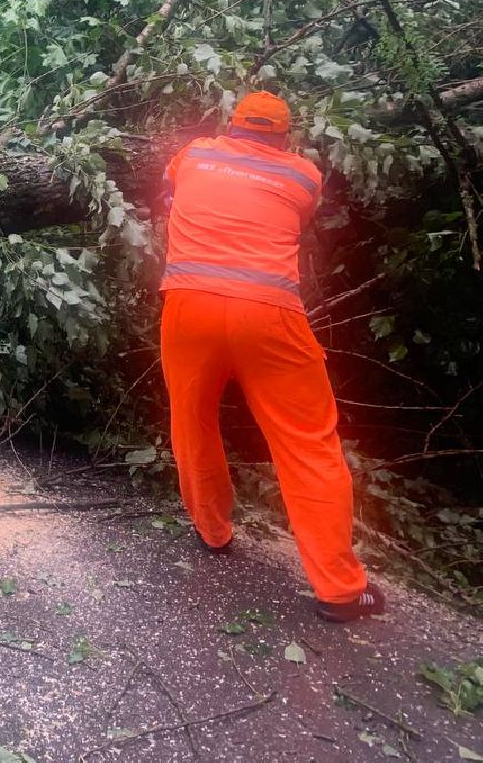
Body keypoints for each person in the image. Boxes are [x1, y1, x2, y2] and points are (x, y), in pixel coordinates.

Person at [158, 90, 384, 622]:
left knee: (192, 421)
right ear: (284, 136)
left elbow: (168, 194)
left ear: (232, 125)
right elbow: (293, 220)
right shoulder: (303, 175)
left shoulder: (194, 153)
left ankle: (213, 532)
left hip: (188, 307)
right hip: (268, 313)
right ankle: (340, 589)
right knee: (308, 442)